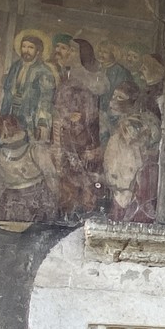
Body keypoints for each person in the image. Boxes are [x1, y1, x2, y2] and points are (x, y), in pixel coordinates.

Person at [50, 35, 105, 214]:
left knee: (83, 177)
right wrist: (65, 117)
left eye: (73, 50)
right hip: (67, 134)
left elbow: (91, 112)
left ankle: (83, 210)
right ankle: (66, 211)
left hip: (84, 137)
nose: (68, 53)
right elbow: (59, 106)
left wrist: (78, 118)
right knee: (66, 180)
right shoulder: (67, 75)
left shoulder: (90, 80)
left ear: (82, 55)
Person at [0, 33, 54, 152]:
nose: (26, 50)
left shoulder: (44, 71)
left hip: (30, 114)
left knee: (25, 149)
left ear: (38, 51)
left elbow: (46, 98)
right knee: (3, 145)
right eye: (24, 46)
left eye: (30, 47)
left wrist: (42, 121)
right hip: (10, 112)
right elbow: (7, 89)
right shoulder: (15, 66)